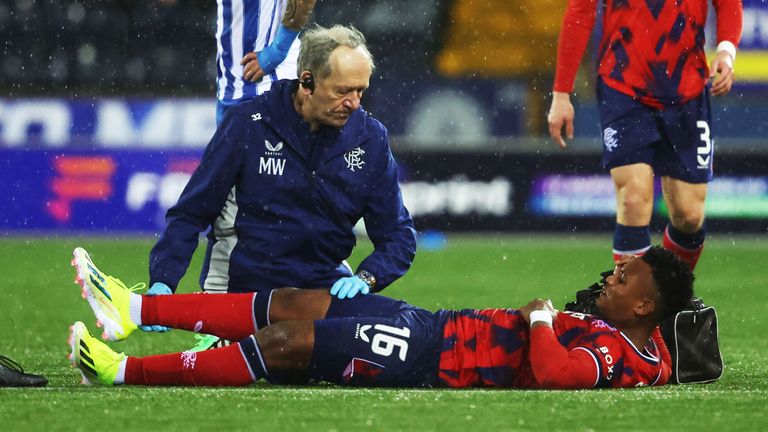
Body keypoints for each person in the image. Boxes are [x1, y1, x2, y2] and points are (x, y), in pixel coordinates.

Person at [69, 245, 693, 389]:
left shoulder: (615, 350)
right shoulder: (648, 348)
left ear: (644, 305)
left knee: (286, 340)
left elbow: (560, 376)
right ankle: (133, 308)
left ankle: (125, 371)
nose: (610, 276)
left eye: (624, 277)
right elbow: (673, 356)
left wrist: (537, 320)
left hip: (429, 354)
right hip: (434, 323)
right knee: (295, 300)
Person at [146, 25, 418, 350]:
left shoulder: (370, 138)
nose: (354, 103)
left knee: (402, 337)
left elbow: (398, 235)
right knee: (280, 357)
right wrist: (163, 280)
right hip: (248, 288)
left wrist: (367, 277)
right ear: (307, 82)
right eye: (343, 91)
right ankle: (223, 341)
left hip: (320, 288)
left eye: (361, 91)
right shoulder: (249, 123)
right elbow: (192, 211)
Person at [547, 0, 743, 269]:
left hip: (687, 90)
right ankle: (633, 307)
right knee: (633, 197)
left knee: (689, 215)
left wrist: (726, 51)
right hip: (624, 87)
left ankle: (670, 299)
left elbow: (729, 4)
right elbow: (580, 12)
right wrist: (561, 93)